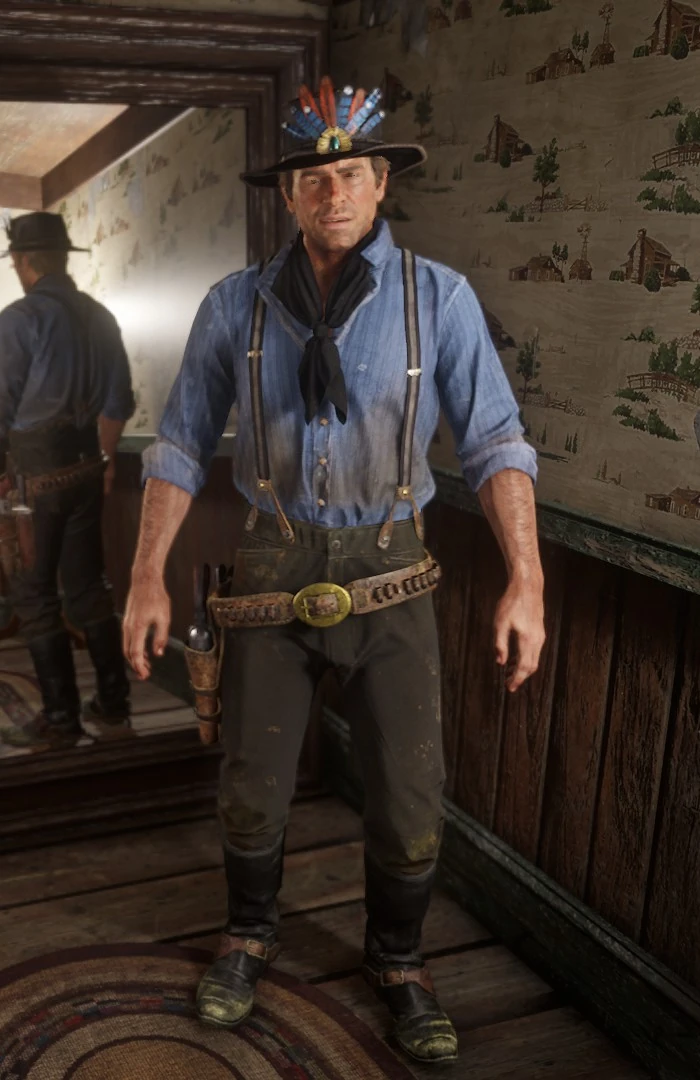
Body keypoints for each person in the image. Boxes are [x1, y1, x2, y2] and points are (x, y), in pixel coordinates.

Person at [123, 77, 545, 1065]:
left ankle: (398, 960)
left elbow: (494, 442)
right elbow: (179, 443)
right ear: (288, 194)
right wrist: (145, 575)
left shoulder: (437, 299)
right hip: (272, 562)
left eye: (351, 173)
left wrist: (527, 578)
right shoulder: (235, 305)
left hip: (392, 568)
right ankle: (248, 936)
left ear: (381, 182)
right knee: (252, 785)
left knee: (409, 794)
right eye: (313, 178)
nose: (333, 192)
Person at [0, 211, 135, 752]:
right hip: (85, 471)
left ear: (22, 262)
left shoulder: (19, 319)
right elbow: (119, 402)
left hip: (32, 482)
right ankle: (114, 706)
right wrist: (105, 462)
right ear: (62, 258)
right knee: (89, 590)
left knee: (35, 597)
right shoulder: (101, 316)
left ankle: (60, 718)